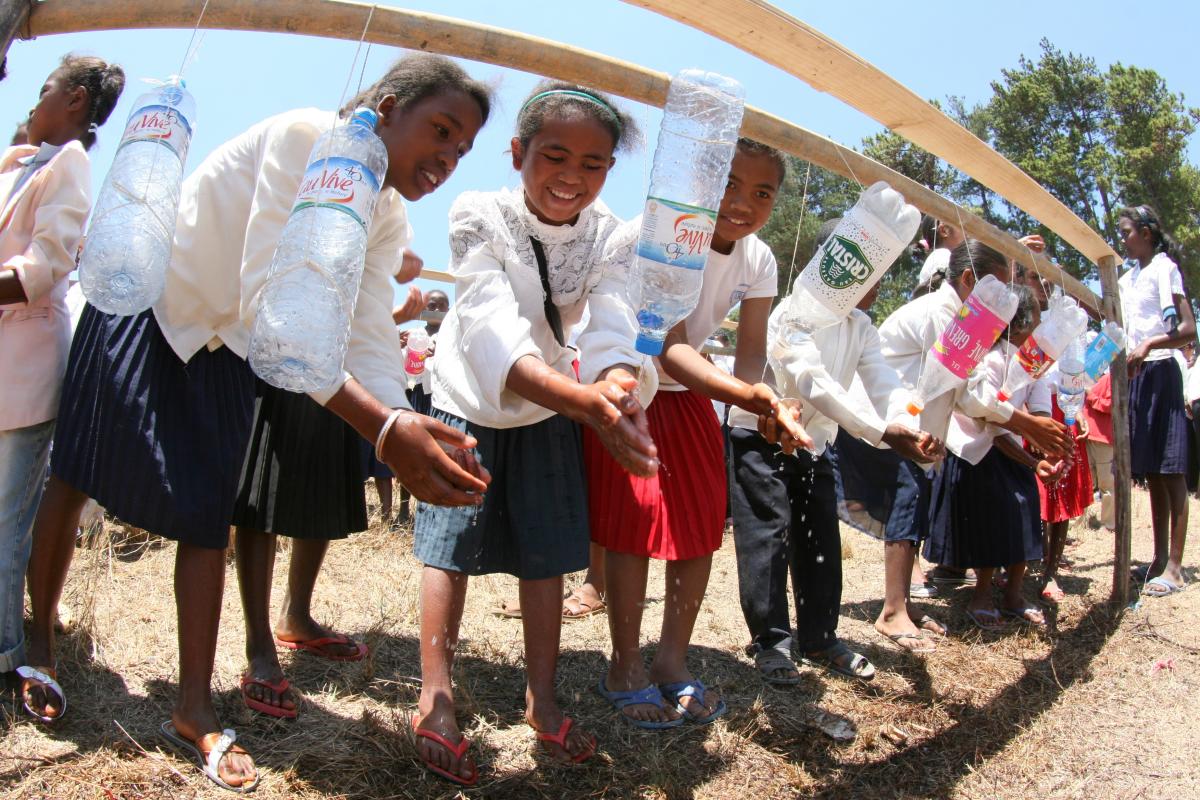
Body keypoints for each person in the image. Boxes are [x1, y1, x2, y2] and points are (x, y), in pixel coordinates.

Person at [21, 53, 492, 792]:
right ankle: (38, 643)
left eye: (460, 150)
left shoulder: (385, 210)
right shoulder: (308, 136)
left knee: (208, 518)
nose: (446, 159)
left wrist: (402, 423)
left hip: (225, 350)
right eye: (439, 131)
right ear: (389, 105)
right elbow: (267, 289)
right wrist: (381, 428)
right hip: (149, 304)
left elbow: (365, 331)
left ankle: (192, 707)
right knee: (77, 471)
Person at [412, 82, 658, 785]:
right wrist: (587, 402)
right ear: (517, 153)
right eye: (554, 156)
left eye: (593, 164)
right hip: (473, 392)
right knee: (448, 543)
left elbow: (613, 318)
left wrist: (612, 382)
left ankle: (542, 698)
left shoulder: (612, 233)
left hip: (555, 398)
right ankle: (436, 696)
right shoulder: (476, 212)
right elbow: (491, 328)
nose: (572, 177)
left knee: (547, 552)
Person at [588, 138, 808, 728]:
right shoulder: (664, 232)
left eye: (762, 193)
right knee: (635, 526)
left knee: (700, 527)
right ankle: (625, 666)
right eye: (729, 185)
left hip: (695, 395)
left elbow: (751, 350)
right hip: (631, 383)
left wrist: (763, 410)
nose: (742, 202)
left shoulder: (758, 259)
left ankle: (672, 663)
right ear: (702, 185)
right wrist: (749, 397)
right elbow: (671, 345)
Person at [729, 217, 943, 685]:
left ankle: (820, 637)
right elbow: (814, 384)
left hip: (816, 443)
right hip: (762, 435)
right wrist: (883, 433)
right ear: (833, 268)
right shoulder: (792, 314)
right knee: (769, 534)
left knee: (820, 537)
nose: (876, 284)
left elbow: (882, 385)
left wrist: (906, 426)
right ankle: (771, 641)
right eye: (869, 272)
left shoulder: (861, 326)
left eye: (881, 273)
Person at [869, 240, 1073, 651]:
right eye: (996, 287)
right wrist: (1024, 424)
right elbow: (965, 392)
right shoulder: (942, 314)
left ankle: (904, 603)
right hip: (893, 422)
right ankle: (892, 610)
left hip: (920, 426)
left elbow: (968, 390)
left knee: (915, 512)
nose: (1003, 300)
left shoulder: (962, 319)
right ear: (968, 280)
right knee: (907, 512)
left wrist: (1027, 424)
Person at [0, 54, 124, 693]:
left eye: (45, 90)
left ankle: (6, 652)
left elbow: (43, 265)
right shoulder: (26, 162)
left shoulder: (67, 163)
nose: (33, 100)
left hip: (21, 370)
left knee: (5, 519)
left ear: (74, 100)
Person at [926, 286, 1061, 630]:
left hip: (1013, 450)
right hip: (980, 451)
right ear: (1022, 324)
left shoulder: (1033, 363)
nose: (1040, 327)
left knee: (1027, 508)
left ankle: (1014, 595)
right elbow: (993, 423)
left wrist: (1052, 449)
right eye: (1037, 321)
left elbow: (1041, 409)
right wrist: (1033, 461)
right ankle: (982, 595)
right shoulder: (989, 358)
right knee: (996, 513)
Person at [1118, 205, 1195, 596]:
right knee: (1151, 473)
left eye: (1128, 231)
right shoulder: (1127, 278)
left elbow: (1186, 330)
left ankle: (1177, 567)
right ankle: (1158, 558)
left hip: (1162, 371)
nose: (1123, 238)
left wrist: (1148, 344)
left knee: (1170, 469)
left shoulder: (1165, 269)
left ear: (1147, 233)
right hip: (1137, 377)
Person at [1037, 362, 1093, 604]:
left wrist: (1078, 413)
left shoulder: (1071, 334)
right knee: (1034, 495)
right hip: (1031, 412)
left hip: (1064, 413)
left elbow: (1071, 380)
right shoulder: (1030, 328)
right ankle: (1030, 560)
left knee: (1060, 494)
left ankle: (1051, 570)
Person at [1082, 371, 1115, 530]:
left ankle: (1109, 523)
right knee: (1086, 481)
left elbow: (1112, 406)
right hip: (1087, 435)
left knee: (1107, 484)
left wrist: (1090, 395)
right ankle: (1080, 521)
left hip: (1103, 438)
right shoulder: (1088, 375)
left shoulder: (1111, 377)